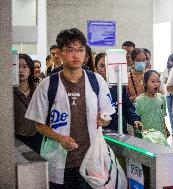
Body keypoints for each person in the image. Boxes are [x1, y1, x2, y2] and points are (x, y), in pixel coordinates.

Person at [25, 28, 115, 188]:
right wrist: (60, 138)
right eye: (70, 50)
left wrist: (104, 119)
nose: (76, 55)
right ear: (59, 53)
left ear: (85, 54)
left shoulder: (97, 81)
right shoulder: (47, 85)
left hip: (91, 162)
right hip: (59, 162)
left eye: (80, 50)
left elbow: (107, 116)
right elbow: (37, 124)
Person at [94, 52, 142, 133]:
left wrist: (134, 119)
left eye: (108, 65)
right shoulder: (92, 87)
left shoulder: (119, 86)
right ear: (96, 68)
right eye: (102, 66)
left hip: (119, 130)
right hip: (100, 132)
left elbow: (127, 106)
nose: (106, 69)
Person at [14, 54, 42, 153]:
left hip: (37, 137)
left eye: (25, 66)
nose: (20, 70)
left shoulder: (39, 90)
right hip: (16, 138)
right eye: (17, 66)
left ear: (30, 70)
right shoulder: (8, 92)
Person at [135, 70, 167, 136]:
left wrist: (165, 130)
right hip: (146, 138)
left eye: (158, 81)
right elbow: (136, 123)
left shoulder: (161, 98)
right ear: (146, 83)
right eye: (152, 81)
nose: (156, 84)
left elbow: (162, 117)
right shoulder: (139, 100)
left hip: (160, 137)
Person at [160, 54, 173, 135]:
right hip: (168, 94)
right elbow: (162, 80)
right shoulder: (166, 70)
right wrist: (167, 81)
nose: (171, 62)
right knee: (170, 112)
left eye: (172, 60)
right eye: (169, 60)